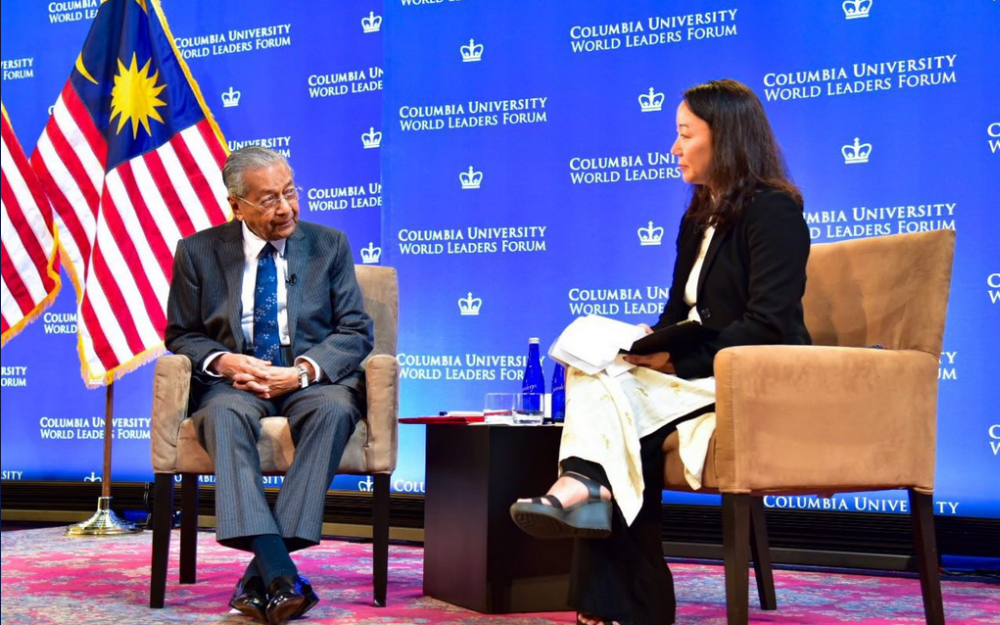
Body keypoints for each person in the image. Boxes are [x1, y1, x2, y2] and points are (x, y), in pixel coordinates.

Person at [510, 79, 811, 625]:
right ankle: (591, 497)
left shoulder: (775, 211)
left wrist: (677, 360)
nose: (673, 148)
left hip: (754, 375)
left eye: (684, 134)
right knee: (597, 371)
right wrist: (645, 344)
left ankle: (582, 491)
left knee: (615, 405)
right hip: (691, 371)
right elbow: (679, 314)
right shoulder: (698, 217)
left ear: (725, 138)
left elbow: (769, 323)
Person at [165, 146, 373, 625]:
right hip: (236, 380)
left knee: (335, 410)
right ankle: (282, 574)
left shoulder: (330, 245)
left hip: (306, 376)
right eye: (268, 200)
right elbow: (181, 333)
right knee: (220, 415)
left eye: (290, 193)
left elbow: (355, 330)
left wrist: (300, 371)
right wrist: (223, 360)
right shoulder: (197, 251)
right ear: (236, 205)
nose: (285, 209)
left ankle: (267, 571)